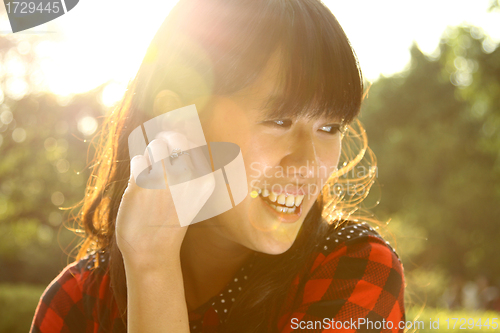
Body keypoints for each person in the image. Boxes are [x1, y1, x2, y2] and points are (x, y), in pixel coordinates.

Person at [30, 0, 405, 332]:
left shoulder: (357, 269)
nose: (310, 165)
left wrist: (153, 265)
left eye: (330, 127)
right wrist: (149, 260)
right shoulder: (77, 302)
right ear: (178, 121)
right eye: (279, 121)